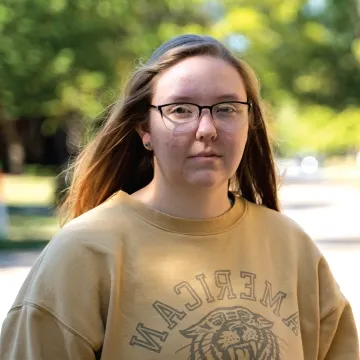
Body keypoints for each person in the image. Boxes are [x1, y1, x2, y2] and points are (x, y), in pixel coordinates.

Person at [0, 34, 358, 360]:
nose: (207, 129)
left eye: (227, 108)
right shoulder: (84, 253)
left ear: (249, 123)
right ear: (145, 130)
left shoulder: (292, 248)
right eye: (181, 110)